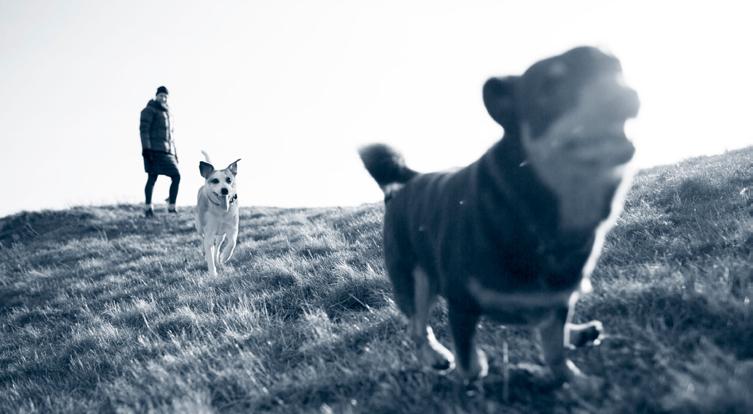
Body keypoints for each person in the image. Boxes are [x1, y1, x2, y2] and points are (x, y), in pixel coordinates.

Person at [140, 85, 180, 217]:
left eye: (165, 96)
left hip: (167, 152)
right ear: (156, 96)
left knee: (176, 175)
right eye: (161, 95)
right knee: (152, 177)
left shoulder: (168, 113)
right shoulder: (149, 110)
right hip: (153, 150)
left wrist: (175, 153)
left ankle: (172, 206)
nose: (163, 98)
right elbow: (144, 130)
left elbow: (171, 136)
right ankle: (148, 208)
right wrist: (146, 149)